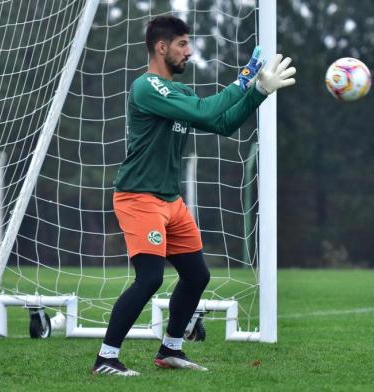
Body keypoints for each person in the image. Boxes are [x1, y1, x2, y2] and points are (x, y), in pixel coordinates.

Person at [93, 15, 296, 376]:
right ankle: (106, 358)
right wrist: (246, 80)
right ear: (161, 47)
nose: (189, 51)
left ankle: (170, 350)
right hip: (138, 198)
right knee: (150, 278)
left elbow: (221, 122)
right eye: (182, 44)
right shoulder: (146, 88)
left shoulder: (181, 92)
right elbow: (208, 109)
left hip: (170, 201)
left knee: (197, 275)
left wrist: (260, 93)